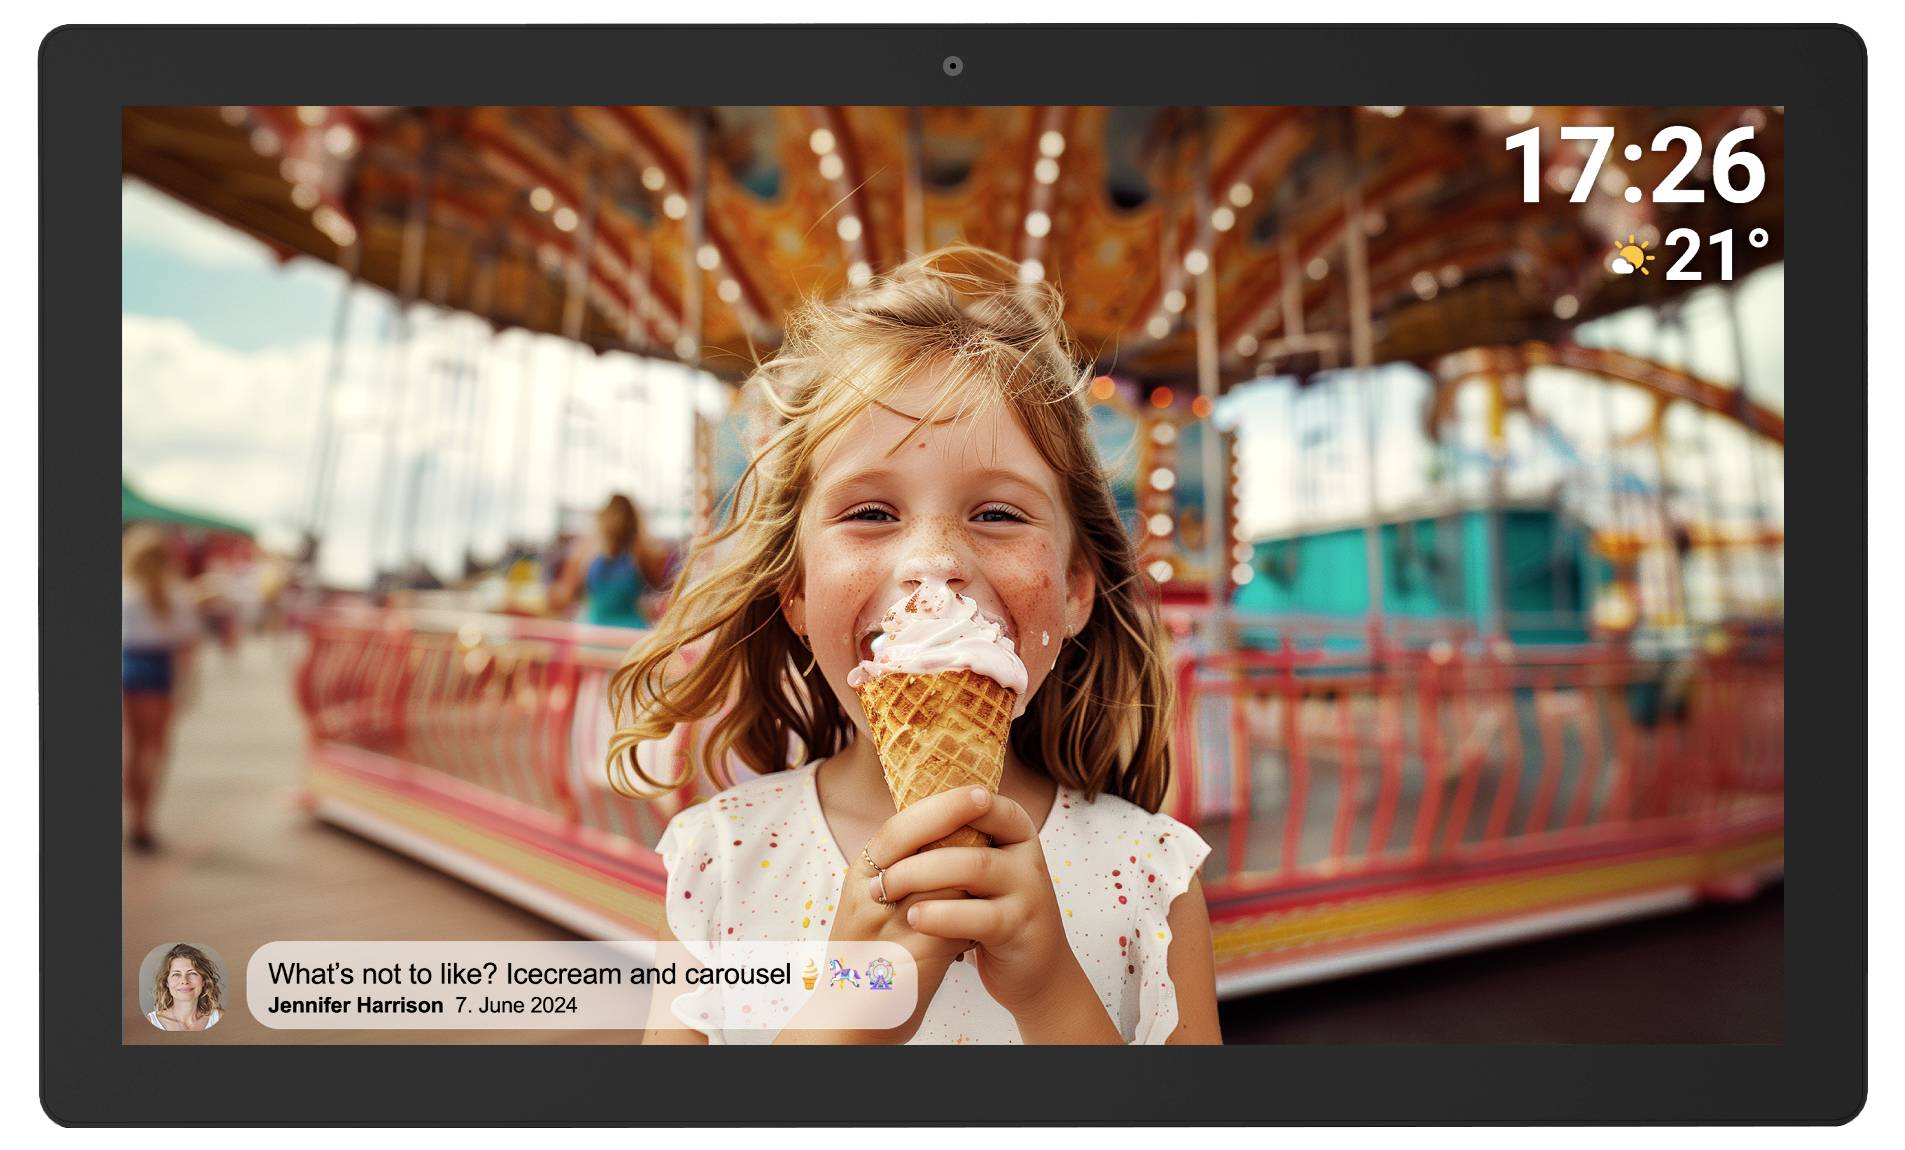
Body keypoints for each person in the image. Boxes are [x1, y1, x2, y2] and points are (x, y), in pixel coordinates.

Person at [609, 245, 1218, 1045]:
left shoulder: (1153, 879)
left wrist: (1051, 997)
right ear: (793, 589)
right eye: (869, 513)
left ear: (1075, 589)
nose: (932, 563)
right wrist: (839, 1028)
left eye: (998, 514)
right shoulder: (719, 863)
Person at [122, 526, 201, 853]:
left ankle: (131, 815)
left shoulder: (124, 593)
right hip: (157, 672)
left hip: (126, 669)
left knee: (133, 748)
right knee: (155, 750)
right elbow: (187, 648)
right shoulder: (177, 598)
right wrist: (187, 686)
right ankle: (143, 819)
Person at [550, 494, 670, 629]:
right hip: (631, 631)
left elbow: (564, 595)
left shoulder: (586, 550)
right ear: (634, 521)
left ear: (602, 520)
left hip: (594, 631)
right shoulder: (643, 552)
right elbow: (663, 594)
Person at [146, 943, 223, 1031]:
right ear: (166, 982)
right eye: (176, 974)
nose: (184, 981)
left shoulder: (219, 1018)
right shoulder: (151, 1021)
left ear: (204, 981)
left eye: (192, 973)